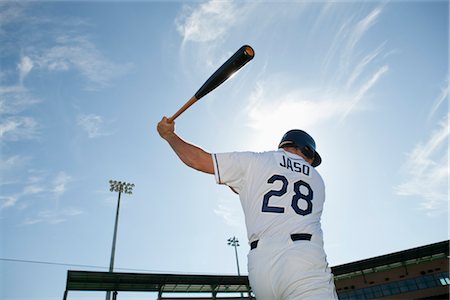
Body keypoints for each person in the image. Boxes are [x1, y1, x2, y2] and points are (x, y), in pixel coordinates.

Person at [157, 116, 338, 300]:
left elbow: (197, 160)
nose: (311, 162)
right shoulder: (317, 179)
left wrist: (169, 135)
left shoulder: (256, 161)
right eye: (312, 157)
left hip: (260, 267)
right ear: (307, 150)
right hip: (302, 261)